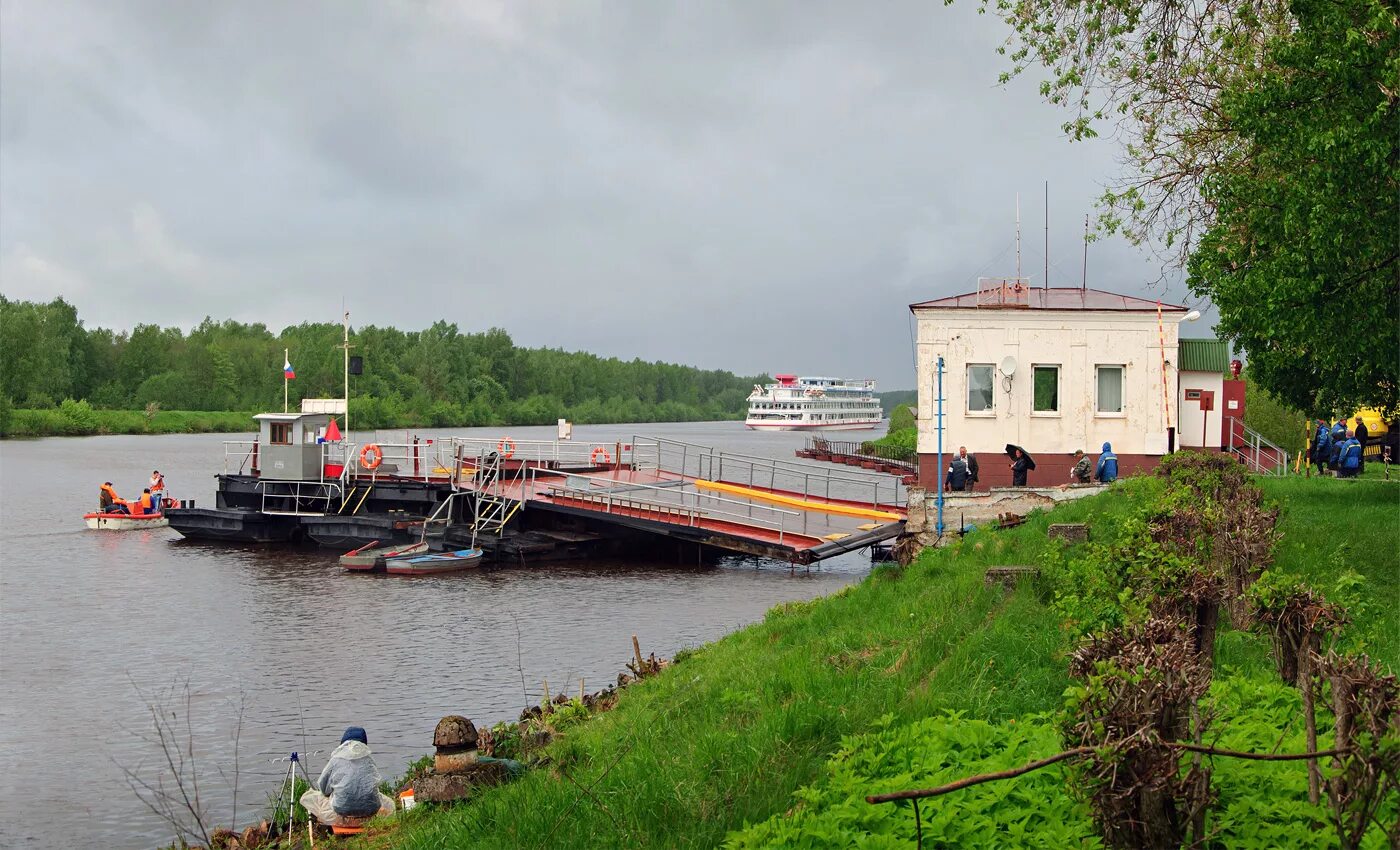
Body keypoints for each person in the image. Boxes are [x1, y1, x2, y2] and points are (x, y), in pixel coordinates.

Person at [300, 727, 395, 827]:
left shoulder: (336, 759)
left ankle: (344, 819)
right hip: (371, 809)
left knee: (312, 797)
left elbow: (323, 788)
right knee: (388, 803)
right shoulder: (369, 760)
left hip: (342, 810)